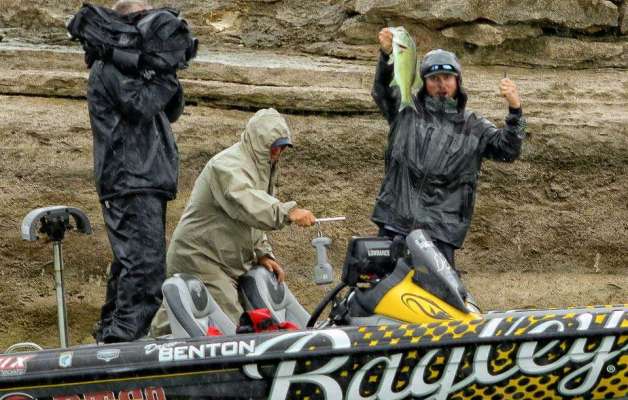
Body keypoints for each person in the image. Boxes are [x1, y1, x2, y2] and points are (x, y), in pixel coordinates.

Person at [372, 28, 526, 273]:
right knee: (382, 287)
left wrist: (516, 110)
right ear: (424, 82)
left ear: (457, 81)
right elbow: (381, 90)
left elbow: (509, 150)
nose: (441, 84)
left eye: (447, 77)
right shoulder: (405, 111)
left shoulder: (474, 126)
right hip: (393, 223)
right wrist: (386, 55)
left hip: (440, 233)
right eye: (434, 78)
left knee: (436, 293)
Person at [151, 108, 316, 332]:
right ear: (258, 142)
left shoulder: (261, 167)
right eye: (274, 146)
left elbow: (249, 220)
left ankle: (145, 349)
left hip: (224, 262)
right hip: (201, 258)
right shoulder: (227, 166)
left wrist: (262, 253)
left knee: (175, 319)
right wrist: (287, 212)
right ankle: (143, 350)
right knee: (232, 329)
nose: (278, 151)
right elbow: (246, 203)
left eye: (283, 146)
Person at [87, 0, 185, 343]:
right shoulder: (110, 67)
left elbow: (171, 110)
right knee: (145, 267)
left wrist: (166, 67)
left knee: (132, 262)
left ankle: (111, 335)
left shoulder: (134, 66)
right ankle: (123, 340)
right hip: (129, 179)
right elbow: (141, 105)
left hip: (145, 178)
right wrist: (163, 75)